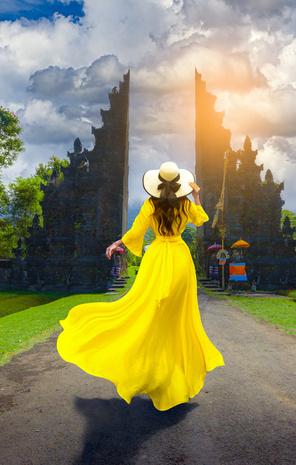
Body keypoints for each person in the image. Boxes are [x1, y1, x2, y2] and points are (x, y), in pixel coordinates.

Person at [57, 161, 225, 411]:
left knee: (148, 311)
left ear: (158, 184)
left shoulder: (150, 205)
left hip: (156, 258)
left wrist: (117, 243)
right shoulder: (186, 204)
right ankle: (170, 376)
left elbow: (136, 232)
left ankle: (153, 371)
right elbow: (201, 220)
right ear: (180, 184)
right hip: (179, 259)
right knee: (176, 319)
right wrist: (196, 195)